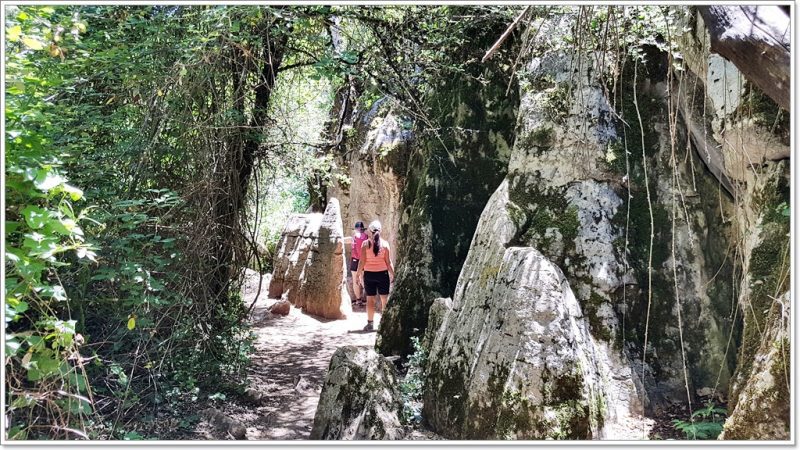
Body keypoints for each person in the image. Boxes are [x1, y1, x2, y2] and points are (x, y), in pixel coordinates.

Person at [356, 220, 394, 332]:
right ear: (380, 231)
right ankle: (385, 324)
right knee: (384, 300)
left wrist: (358, 274)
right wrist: (393, 274)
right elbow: (388, 262)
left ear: (370, 231)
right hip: (383, 275)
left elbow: (362, 262)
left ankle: (370, 324)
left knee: (370, 300)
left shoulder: (365, 244)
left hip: (369, 275)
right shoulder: (385, 245)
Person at [347, 221, 368, 305]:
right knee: (363, 279)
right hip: (364, 261)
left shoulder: (354, 237)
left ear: (356, 229)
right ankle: (366, 299)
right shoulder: (366, 237)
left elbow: (352, 247)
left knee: (355, 279)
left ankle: (358, 300)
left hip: (355, 260)